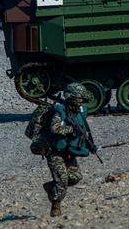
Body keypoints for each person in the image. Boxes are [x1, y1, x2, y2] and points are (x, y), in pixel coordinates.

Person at [42, 82, 97, 217]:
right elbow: (54, 128)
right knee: (62, 181)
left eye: (81, 98)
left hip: (69, 151)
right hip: (54, 151)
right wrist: (70, 130)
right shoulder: (60, 111)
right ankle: (55, 206)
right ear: (71, 97)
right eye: (78, 97)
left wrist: (90, 145)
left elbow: (84, 130)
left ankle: (51, 187)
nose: (81, 100)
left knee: (75, 177)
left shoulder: (80, 111)